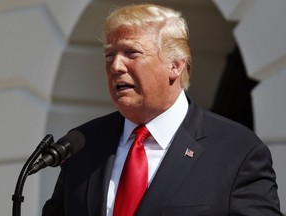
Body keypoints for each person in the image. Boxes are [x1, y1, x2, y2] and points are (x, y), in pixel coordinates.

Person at [42, 3, 283, 216]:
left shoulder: (237, 150)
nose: (116, 65)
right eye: (109, 54)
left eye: (131, 53)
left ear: (175, 65)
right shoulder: (83, 144)